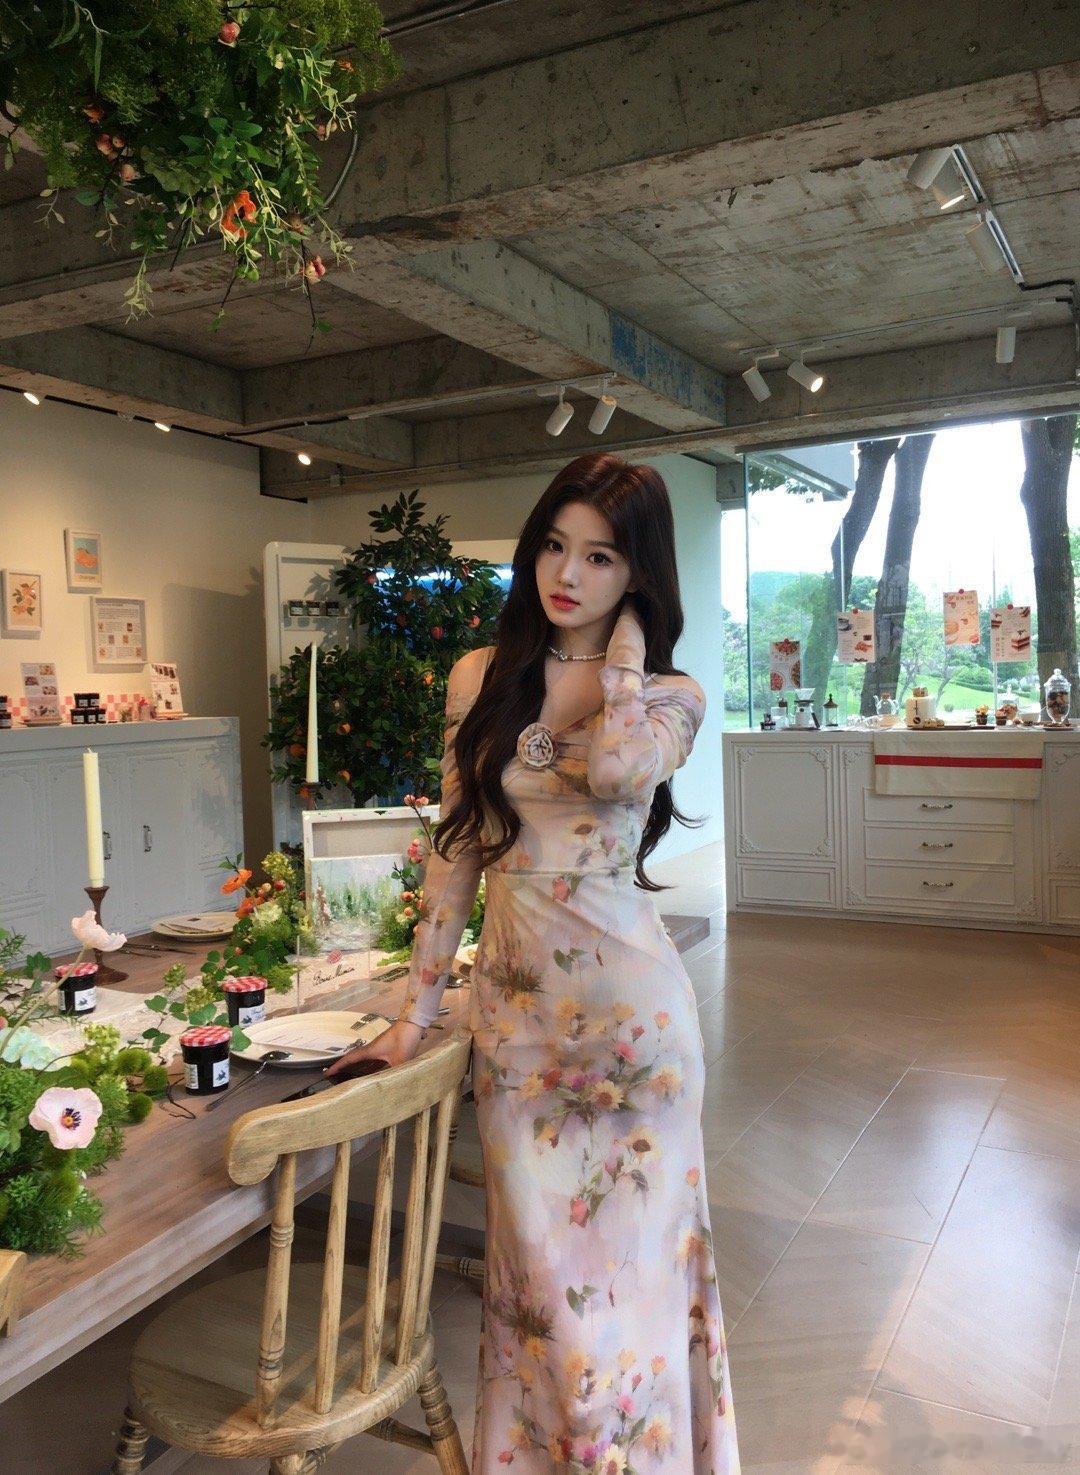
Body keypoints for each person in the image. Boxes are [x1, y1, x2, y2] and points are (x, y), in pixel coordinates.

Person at [327, 452, 740, 1472]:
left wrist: (624, 653)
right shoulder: (480, 676)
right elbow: (456, 851)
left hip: (636, 1041)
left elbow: (617, 767)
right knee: (540, 1300)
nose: (566, 572)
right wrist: (415, 1015)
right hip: (517, 1039)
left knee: (638, 1293)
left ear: (638, 573)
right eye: (555, 544)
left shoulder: (670, 695)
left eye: (600, 556)